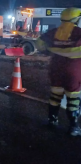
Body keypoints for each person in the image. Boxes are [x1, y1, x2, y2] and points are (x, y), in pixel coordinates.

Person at [36, 8, 81, 136]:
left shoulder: (53, 32)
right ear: (77, 19)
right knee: (73, 99)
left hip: (55, 68)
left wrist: (50, 50)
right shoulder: (79, 32)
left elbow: (38, 43)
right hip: (74, 70)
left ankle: (52, 120)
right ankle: (74, 127)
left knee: (55, 96)